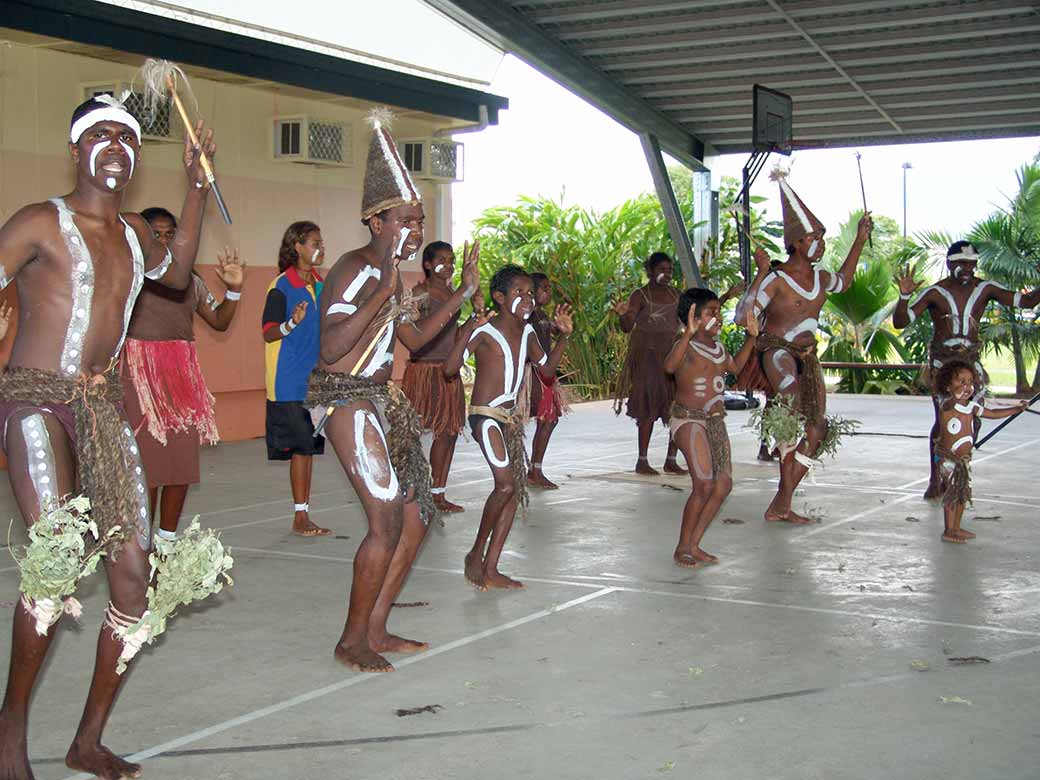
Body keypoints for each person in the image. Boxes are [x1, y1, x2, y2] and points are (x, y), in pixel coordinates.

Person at [0, 95, 214, 780]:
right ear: (76, 148)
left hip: (99, 408)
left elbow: (177, 277)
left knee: (134, 583)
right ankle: (9, 735)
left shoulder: (130, 235)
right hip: (35, 398)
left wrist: (198, 190)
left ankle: (86, 739)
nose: (118, 145)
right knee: (57, 556)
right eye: (102, 134)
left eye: (128, 135)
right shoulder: (39, 221)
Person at [306, 113, 480, 673]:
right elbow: (331, 348)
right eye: (405, 220)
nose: (413, 230)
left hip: (383, 400)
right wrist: (380, 293)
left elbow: (414, 339)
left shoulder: (394, 277)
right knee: (385, 518)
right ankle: (350, 639)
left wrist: (462, 297)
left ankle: (376, 627)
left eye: (420, 220)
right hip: (344, 397)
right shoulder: (355, 269)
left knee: (417, 515)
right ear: (375, 221)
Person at [734, 169, 873, 524]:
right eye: (815, 236)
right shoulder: (777, 279)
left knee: (817, 429)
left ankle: (782, 501)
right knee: (792, 408)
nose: (821, 243)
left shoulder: (822, 279)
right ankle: (781, 501)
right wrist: (762, 271)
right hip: (777, 352)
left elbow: (845, 279)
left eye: (823, 237)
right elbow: (743, 315)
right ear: (796, 242)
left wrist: (859, 238)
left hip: (808, 359)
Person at [444, 264, 573, 591]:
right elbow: (449, 369)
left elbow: (546, 372)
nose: (528, 299)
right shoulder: (486, 330)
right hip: (485, 416)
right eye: (519, 292)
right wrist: (469, 328)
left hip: (509, 419)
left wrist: (565, 336)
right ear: (500, 297)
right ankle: (475, 554)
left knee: (513, 491)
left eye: (531, 293)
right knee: (505, 486)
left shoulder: (529, 333)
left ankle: (491, 566)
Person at [123, 206, 245, 543]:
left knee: (180, 463)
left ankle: (166, 541)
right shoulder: (128, 277)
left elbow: (219, 320)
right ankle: (140, 544)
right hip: (137, 374)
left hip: (180, 375)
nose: (163, 241)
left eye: (170, 234)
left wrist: (234, 290)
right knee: (147, 465)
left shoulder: (190, 280)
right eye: (155, 235)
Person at [893, 240, 1040, 498]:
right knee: (944, 421)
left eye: (971, 264)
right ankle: (937, 478)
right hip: (944, 364)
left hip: (971, 363)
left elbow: (1026, 303)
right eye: (961, 263)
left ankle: (956, 474)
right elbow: (901, 321)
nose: (967, 269)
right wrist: (904, 296)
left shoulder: (985, 289)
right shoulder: (935, 293)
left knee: (972, 420)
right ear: (949, 263)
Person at [665, 288, 758, 567]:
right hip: (688, 419)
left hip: (715, 420)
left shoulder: (719, 348)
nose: (718, 317)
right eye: (711, 312)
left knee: (724, 484)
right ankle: (682, 546)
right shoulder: (685, 346)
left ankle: (694, 544)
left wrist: (752, 338)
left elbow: (736, 368)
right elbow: (670, 366)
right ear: (693, 316)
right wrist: (687, 334)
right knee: (703, 484)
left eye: (719, 312)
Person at [401, 240, 482, 513]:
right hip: (424, 370)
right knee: (413, 432)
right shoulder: (420, 293)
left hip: (448, 370)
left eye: (452, 261)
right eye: (442, 260)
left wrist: (473, 323)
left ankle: (438, 493)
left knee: (448, 433)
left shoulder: (452, 294)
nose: (448, 265)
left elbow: (454, 335)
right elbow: (413, 332)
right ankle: (409, 489)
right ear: (426, 264)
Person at [262, 221, 327, 536]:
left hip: (315, 381)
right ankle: (300, 517)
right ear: (298, 246)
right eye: (314, 242)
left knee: (309, 448)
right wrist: (292, 323)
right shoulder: (281, 286)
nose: (320, 248)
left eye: (321, 242)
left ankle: (304, 512)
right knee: (302, 448)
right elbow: (269, 332)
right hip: (288, 379)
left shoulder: (319, 283)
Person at [933, 361, 1025, 543]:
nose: (966, 386)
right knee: (952, 494)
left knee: (962, 493)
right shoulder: (947, 406)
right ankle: (948, 530)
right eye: (961, 382)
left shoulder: (971, 407)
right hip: (949, 460)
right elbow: (951, 403)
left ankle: (956, 527)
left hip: (963, 461)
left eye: (969, 382)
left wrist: (1017, 408)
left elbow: (993, 413)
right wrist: (955, 396)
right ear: (948, 386)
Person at [613, 253, 687, 475]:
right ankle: (642, 460)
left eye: (670, 269)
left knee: (677, 407)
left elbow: (692, 320)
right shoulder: (640, 295)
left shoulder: (676, 295)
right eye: (662, 269)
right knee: (647, 407)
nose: (667, 273)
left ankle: (671, 459)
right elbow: (627, 326)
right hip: (647, 358)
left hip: (672, 357)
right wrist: (623, 315)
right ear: (650, 270)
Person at [526, 272, 569, 489]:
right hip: (530, 376)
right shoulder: (525, 315)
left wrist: (558, 326)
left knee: (549, 420)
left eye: (549, 288)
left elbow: (549, 329)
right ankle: (528, 469)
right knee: (541, 420)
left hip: (545, 375)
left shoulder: (540, 314)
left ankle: (535, 469)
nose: (548, 292)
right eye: (544, 288)